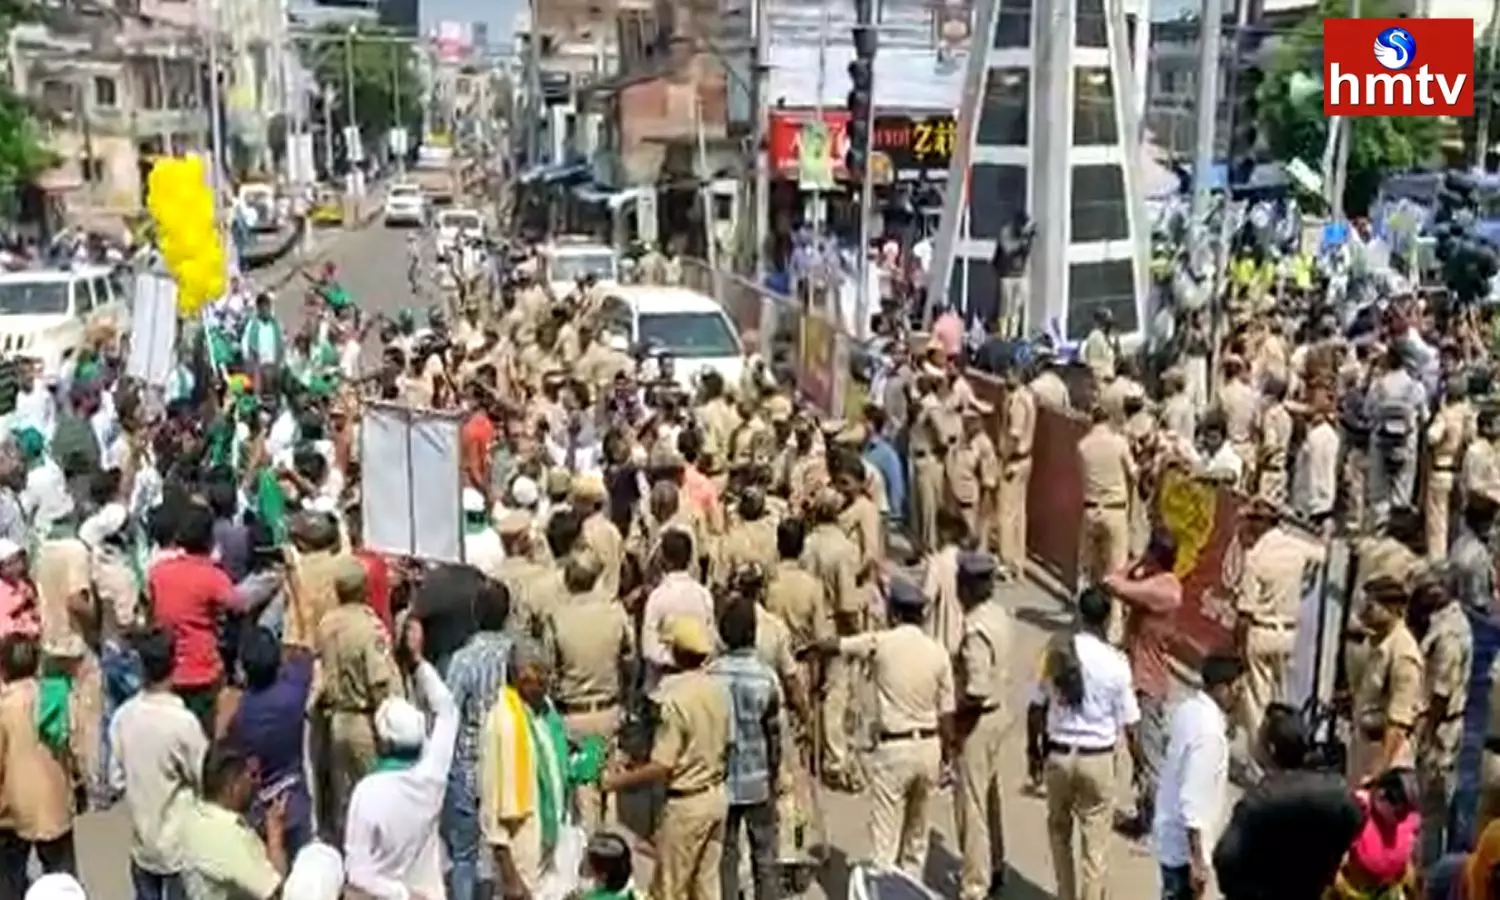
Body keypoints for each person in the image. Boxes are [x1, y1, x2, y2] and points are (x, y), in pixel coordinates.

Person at [817, 577, 955, 879]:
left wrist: (809, 647)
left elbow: (836, 645)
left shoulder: (881, 642)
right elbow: (947, 715)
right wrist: (947, 757)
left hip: (894, 750)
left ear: (894, 612)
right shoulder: (938, 652)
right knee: (917, 839)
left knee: (884, 840)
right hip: (929, 747)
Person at [602, 617, 731, 900]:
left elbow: (663, 764)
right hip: (716, 796)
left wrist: (618, 781)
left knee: (669, 889)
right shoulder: (719, 690)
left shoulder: (673, 699)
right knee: (706, 886)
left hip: (686, 804)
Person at [1027, 587, 1139, 900]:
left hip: (1059, 755)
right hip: (1097, 759)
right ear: (1106, 619)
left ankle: (1065, 894)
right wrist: (1139, 764)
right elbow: (1131, 723)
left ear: (1078, 614)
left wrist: (1033, 751)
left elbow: (1035, 707)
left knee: (1059, 834)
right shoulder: (1116, 662)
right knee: (1095, 848)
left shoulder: (1056, 652)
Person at [343, 618, 460, 900]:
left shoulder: (368, 792)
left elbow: (357, 872)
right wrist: (418, 661)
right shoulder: (432, 773)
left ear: (383, 741)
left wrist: (402, 894)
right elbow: (447, 710)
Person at [479, 638, 592, 896]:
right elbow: (491, 805)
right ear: (519, 679)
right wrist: (509, 875)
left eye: (546, 679)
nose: (544, 687)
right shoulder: (502, 723)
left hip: (552, 835)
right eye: (538, 681)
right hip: (523, 845)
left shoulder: (547, 711)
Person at [110, 628, 207, 900]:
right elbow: (204, 778)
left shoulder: (123, 717)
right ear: (174, 665)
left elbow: (116, 779)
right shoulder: (183, 722)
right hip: (179, 845)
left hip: (142, 844)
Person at [1104, 531, 1183, 839]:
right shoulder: (1159, 584)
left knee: (1150, 759)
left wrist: (1136, 561)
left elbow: (1112, 582)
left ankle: (1158, 824)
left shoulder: (1163, 590)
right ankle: (1146, 816)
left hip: (1148, 684)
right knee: (1139, 754)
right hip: (1138, 678)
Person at [443, 577, 514, 900]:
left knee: (464, 855)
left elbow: (448, 714)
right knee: (510, 851)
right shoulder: (518, 654)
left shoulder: (463, 660)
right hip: (511, 765)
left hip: (470, 766)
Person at [707, 595, 782, 900]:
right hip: (758, 779)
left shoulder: (710, 675)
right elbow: (774, 734)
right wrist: (775, 774)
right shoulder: (766, 677)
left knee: (726, 855)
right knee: (765, 856)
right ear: (753, 633)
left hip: (722, 780)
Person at [1154, 655, 1242, 900]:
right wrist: (1198, 861)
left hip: (1170, 835)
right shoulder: (1209, 736)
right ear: (1221, 688)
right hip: (1185, 850)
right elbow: (1193, 802)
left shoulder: (1188, 709)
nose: (1240, 695)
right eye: (1237, 688)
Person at [952, 551, 1011, 899]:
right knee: (990, 796)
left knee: (971, 806)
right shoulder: (998, 616)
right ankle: (997, 863)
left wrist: (955, 720)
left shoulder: (974, 629)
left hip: (978, 720)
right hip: (1000, 716)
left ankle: (975, 884)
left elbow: (976, 689)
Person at [148, 502, 238, 733]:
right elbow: (236, 605)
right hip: (202, 670)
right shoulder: (213, 577)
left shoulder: (159, 572)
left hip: (168, 670)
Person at [225, 628, 315, 858]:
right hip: (295, 797)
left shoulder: (242, 713)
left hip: (260, 807)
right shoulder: (293, 690)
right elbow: (305, 658)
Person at [0, 633, 78, 896]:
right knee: (63, 878)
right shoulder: (54, 697)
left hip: (14, 811)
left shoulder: (4, 707)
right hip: (55, 805)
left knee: (10, 878)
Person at [178, 745, 290, 900]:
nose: (257, 782)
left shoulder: (195, 818)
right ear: (233, 787)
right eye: (251, 776)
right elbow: (276, 893)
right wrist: (275, 835)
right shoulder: (228, 837)